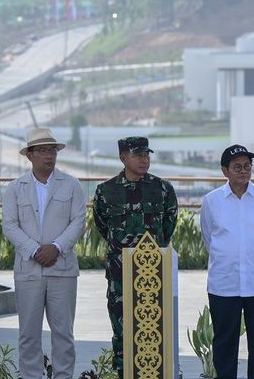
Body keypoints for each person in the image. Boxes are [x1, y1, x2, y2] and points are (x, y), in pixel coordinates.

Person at [1, 128, 86, 379]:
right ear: (30, 155)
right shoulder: (15, 188)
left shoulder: (71, 184)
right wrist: (35, 250)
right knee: (28, 334)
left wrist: (57, 247)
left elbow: (78, 221)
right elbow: (9, 225)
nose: (49, 156)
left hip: (63, 269)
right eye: (42, 151)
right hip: (28, 270)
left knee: (63, 334)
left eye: (52, 150)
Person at [93, 136, 178, 374]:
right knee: (122, 333)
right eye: (138, 155)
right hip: (120, 276)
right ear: (123, 158)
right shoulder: (106, 191)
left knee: (155, 330)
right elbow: (103, 226)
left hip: (154, 275)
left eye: (146, 155)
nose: (144, 160)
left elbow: (168, 227)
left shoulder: (162, 189)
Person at [200, 145, 254, 379]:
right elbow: (209, 238)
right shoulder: (211, 201)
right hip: (224, 283)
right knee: (224, 341)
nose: (243, 171)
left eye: (247, 166)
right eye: (237, 167)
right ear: (225, 171)